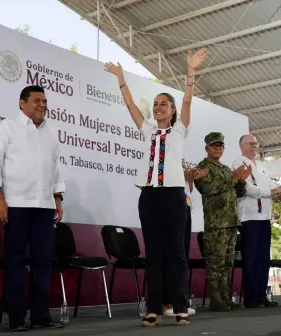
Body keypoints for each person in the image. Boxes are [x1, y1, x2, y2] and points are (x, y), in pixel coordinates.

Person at [104, 48, 207, 327]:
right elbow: (130, 106)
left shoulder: (180, 129)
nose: (159, 106)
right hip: (149, 196)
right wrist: (121, 78)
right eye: (156, 103)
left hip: (174, 196)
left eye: (164, 104)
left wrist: (190, 72)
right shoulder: (148, 130)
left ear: (172, 111)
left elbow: (187, 100)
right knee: (154, 254)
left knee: (175, 252)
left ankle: (181, 307)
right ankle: (154, 309)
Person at [0, 85, 65, 331]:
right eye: (36, 100)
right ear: (22, 103)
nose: (42, 104)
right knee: (16, 261)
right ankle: (17, 317)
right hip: (17, 204)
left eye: (44, 100)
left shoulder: (50, 133)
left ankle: (41, 315)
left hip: (44, 205)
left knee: (43, 261)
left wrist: (57, 199)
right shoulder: (7, 127)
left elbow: (55, 169)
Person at [194, 132, 250, 312]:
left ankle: (225, 296)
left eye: (220, 146)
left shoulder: (226, 169)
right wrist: (233, 179)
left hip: (231, 220)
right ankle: (215, 298)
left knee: (227, 262)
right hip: (215, 223)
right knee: (215, 261)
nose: (218, 149)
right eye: (214, 146)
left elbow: (238, 193)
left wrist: (241, 181)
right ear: (206, 148)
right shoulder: (202, 168)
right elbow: (208, 189)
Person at [232, 135, 281, 308]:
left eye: (256, 143)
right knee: (251, 259)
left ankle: (262, 295)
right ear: (242, 147)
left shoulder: (260, 166)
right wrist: (271, 192)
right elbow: (249, 190)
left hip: (264, 218)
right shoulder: (238, 163)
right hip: (249, 218)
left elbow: (270, 185)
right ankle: (251, 297)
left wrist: (277, 190)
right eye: (251, 143)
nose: (255, 146)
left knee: (263, 259)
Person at [163, 163, 208, 317]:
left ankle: (179, 301)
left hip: (185, 206)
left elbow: (189, 189)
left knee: (182, 256)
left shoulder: (179, 159)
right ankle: (167, 302)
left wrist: (191, 178)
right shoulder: (164, 154)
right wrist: (186, 173)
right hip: (170, 206)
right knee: (172, 255)